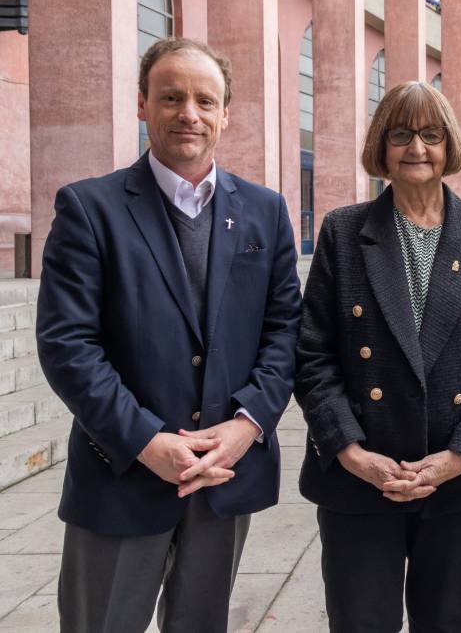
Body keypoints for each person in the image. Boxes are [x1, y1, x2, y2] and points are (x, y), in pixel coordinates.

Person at [35, 37, 302, 633]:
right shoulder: (89, 208)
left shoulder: (264, 210)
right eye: (172, 96)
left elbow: (285, 330)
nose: (189, 112)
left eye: (205, 100)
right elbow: (67, 345)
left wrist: (245, 425)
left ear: (225, 113)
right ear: (142, 104)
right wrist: (147, 442)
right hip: (123, 474)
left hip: (224, 474)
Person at [295, 81, 461, 632]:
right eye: (401, 134)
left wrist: (460, 457)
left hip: (456, 482)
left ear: (449, 145)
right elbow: (313, 354)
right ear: (381, 145)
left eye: (431, 134)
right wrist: (354, 455)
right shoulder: (344, 230)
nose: (416, 148)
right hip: (360, 480)